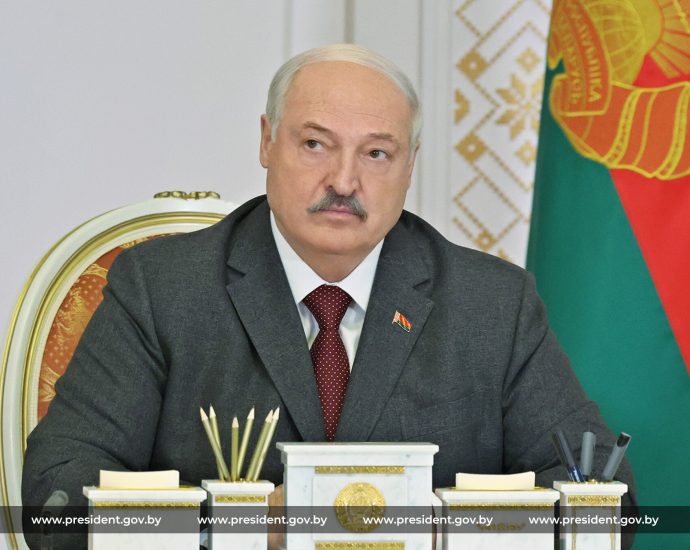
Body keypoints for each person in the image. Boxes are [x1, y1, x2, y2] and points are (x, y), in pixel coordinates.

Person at [22, 44, 635, 547]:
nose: (344, 180)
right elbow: (56, 498)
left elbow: (607, 501)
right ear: (267, 142)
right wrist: (235, 528)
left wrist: (447, 530)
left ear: (410, 165)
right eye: (315, 144)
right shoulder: (162, 288)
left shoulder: (492, 304)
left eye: (377, 153)